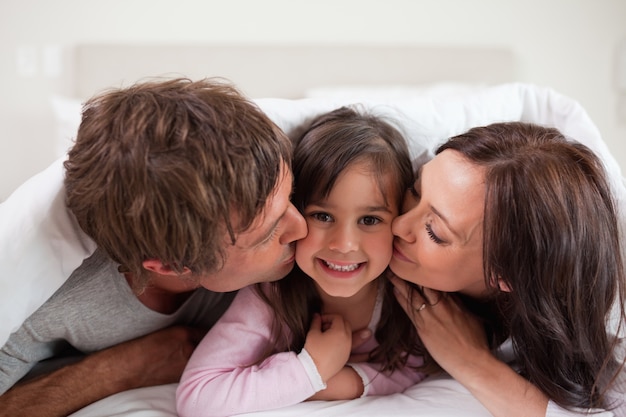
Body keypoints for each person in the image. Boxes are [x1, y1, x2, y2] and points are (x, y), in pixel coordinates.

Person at [0, 77, 310, 417]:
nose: (303, 227)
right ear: (171, 265)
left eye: (291, 197)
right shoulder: (54, 304)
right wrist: (119, 370)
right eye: (266, 234)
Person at [176, 106, 427, 417]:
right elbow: (197, 397)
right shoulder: (271, 297)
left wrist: (338, 383)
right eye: (322, 216)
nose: (344, 244)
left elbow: (415, 365)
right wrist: (311, 367)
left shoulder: (405, 293)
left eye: (370, 219)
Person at [389, 121, 626, 417]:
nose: (398, 225)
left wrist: (472, 364)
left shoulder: (601, 354)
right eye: (415, 190)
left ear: (505, 274)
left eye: (435, 232)